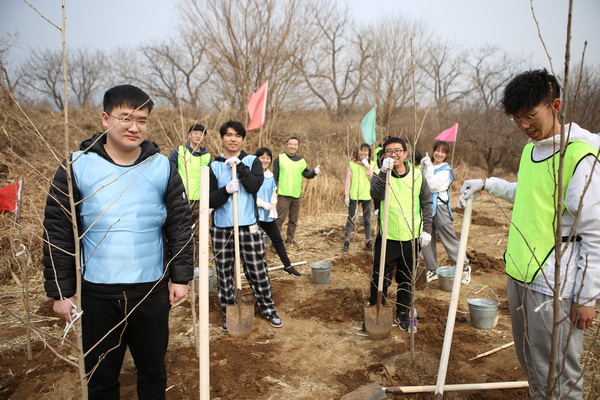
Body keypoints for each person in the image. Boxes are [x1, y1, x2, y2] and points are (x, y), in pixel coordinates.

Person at [42, 84, 194, 399]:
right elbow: (58, 230)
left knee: (153, 371)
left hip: (150, 290)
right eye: (125, 118)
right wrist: (61, 291)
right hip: (97, 293)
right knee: (100, 376)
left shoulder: (162, 166)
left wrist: (181, 276)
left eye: (142, 119)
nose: (134, 127)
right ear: (105, 118)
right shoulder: (77, 166)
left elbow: (178, 224)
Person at [458, 69, 599, 399]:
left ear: (555, 105)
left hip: (554, 282)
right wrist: (488, 184)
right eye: (516, 120)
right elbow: (531, 192)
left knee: (560, 374)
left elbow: (594, 231)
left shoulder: (579, 156)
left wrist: (587, 297)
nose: (523, 126)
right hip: (520, 273)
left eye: (529, 116)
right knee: (532, 365)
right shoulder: (530, 151)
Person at [209, 121, 282, 331]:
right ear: (222, 138)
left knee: (257, 269)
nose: (233, 139)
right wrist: (225, 190)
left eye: (237, 135)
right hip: (222, 228)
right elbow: (211, 200)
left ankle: (268, 310)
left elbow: (254, 186)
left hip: (248, 226)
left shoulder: (252, 161)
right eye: (228, 135)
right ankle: (228, 314)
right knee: (224, 272)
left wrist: (239, 167)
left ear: (242, 139)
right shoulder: (213, 166)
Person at [366, 137, 433, 331]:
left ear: (405, 154)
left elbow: (426, 204)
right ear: (383, 155)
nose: (393, 154)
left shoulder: (417, 176)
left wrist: (427, 230)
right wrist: (384, 172)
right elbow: (376, 196)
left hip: (411, 237)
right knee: (380, 277)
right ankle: (375, 308)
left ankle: (402, 314)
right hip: (387, 237)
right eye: (388, 151)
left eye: (397, 150)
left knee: (406, 277)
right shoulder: (381, 174)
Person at [420, 141, 470, 284]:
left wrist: (428, 167)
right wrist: (423, 167)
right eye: (437, 150)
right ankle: (432, 270)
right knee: (426, 238)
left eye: (443, 152)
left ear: (446, 155)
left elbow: (433, 186)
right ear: (433, 150)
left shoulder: (446, 170)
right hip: (426, 207)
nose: (439, 154)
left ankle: (464, 266)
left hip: (440, 208)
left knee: (448, 237)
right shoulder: (427, 167)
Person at [169, 124, 212, 265]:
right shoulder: (179, 151)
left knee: (200, 235)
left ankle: (197, 265)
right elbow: (170, 172)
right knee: (181, 233)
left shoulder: (207, 156)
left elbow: (212, 178)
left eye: (201, 134)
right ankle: (181, 263)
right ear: (189, 135)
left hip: (201, 201)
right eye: (196, 133)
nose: (198, 136)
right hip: (183, 199)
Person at [255, 147, 302, 277]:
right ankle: (258, 269)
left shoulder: (270, 176)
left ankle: (287, 266)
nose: (265, 160)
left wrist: (273, 207)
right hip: (253, 214)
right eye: (262, 158)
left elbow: (273, 193)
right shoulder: (252, 174)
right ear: (256, 158)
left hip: (267, 214)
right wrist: (263, 204)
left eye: (267, 158)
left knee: (277, 239)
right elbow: (250, 194)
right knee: (257, 243)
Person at [273, 136, 320, 245]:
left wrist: (314, 172)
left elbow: (306, 174)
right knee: (279, 220)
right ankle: (276, 243)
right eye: (290, 144)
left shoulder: (301, 161)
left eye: (295, 144)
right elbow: (274, 177)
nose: (292, 146)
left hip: (296, 195)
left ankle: (290, 240)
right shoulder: (279, 159)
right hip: (283, 195)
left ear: (298, 146)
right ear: (287, 145)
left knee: (293, 220)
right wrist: (273, 192)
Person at [342, 143, 376, 252]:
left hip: (367, 195)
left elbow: (375, 180)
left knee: (367, 220)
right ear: (358, 152)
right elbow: (348, 180)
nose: (363, 153)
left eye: (366, 151)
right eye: (361, 151)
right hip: (354, 195)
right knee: (351, 218)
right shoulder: (352, 164)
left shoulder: (373, 164)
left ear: (369, 153)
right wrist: (347, 195)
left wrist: (368, 168)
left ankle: (368, 241)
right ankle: (346, 240)